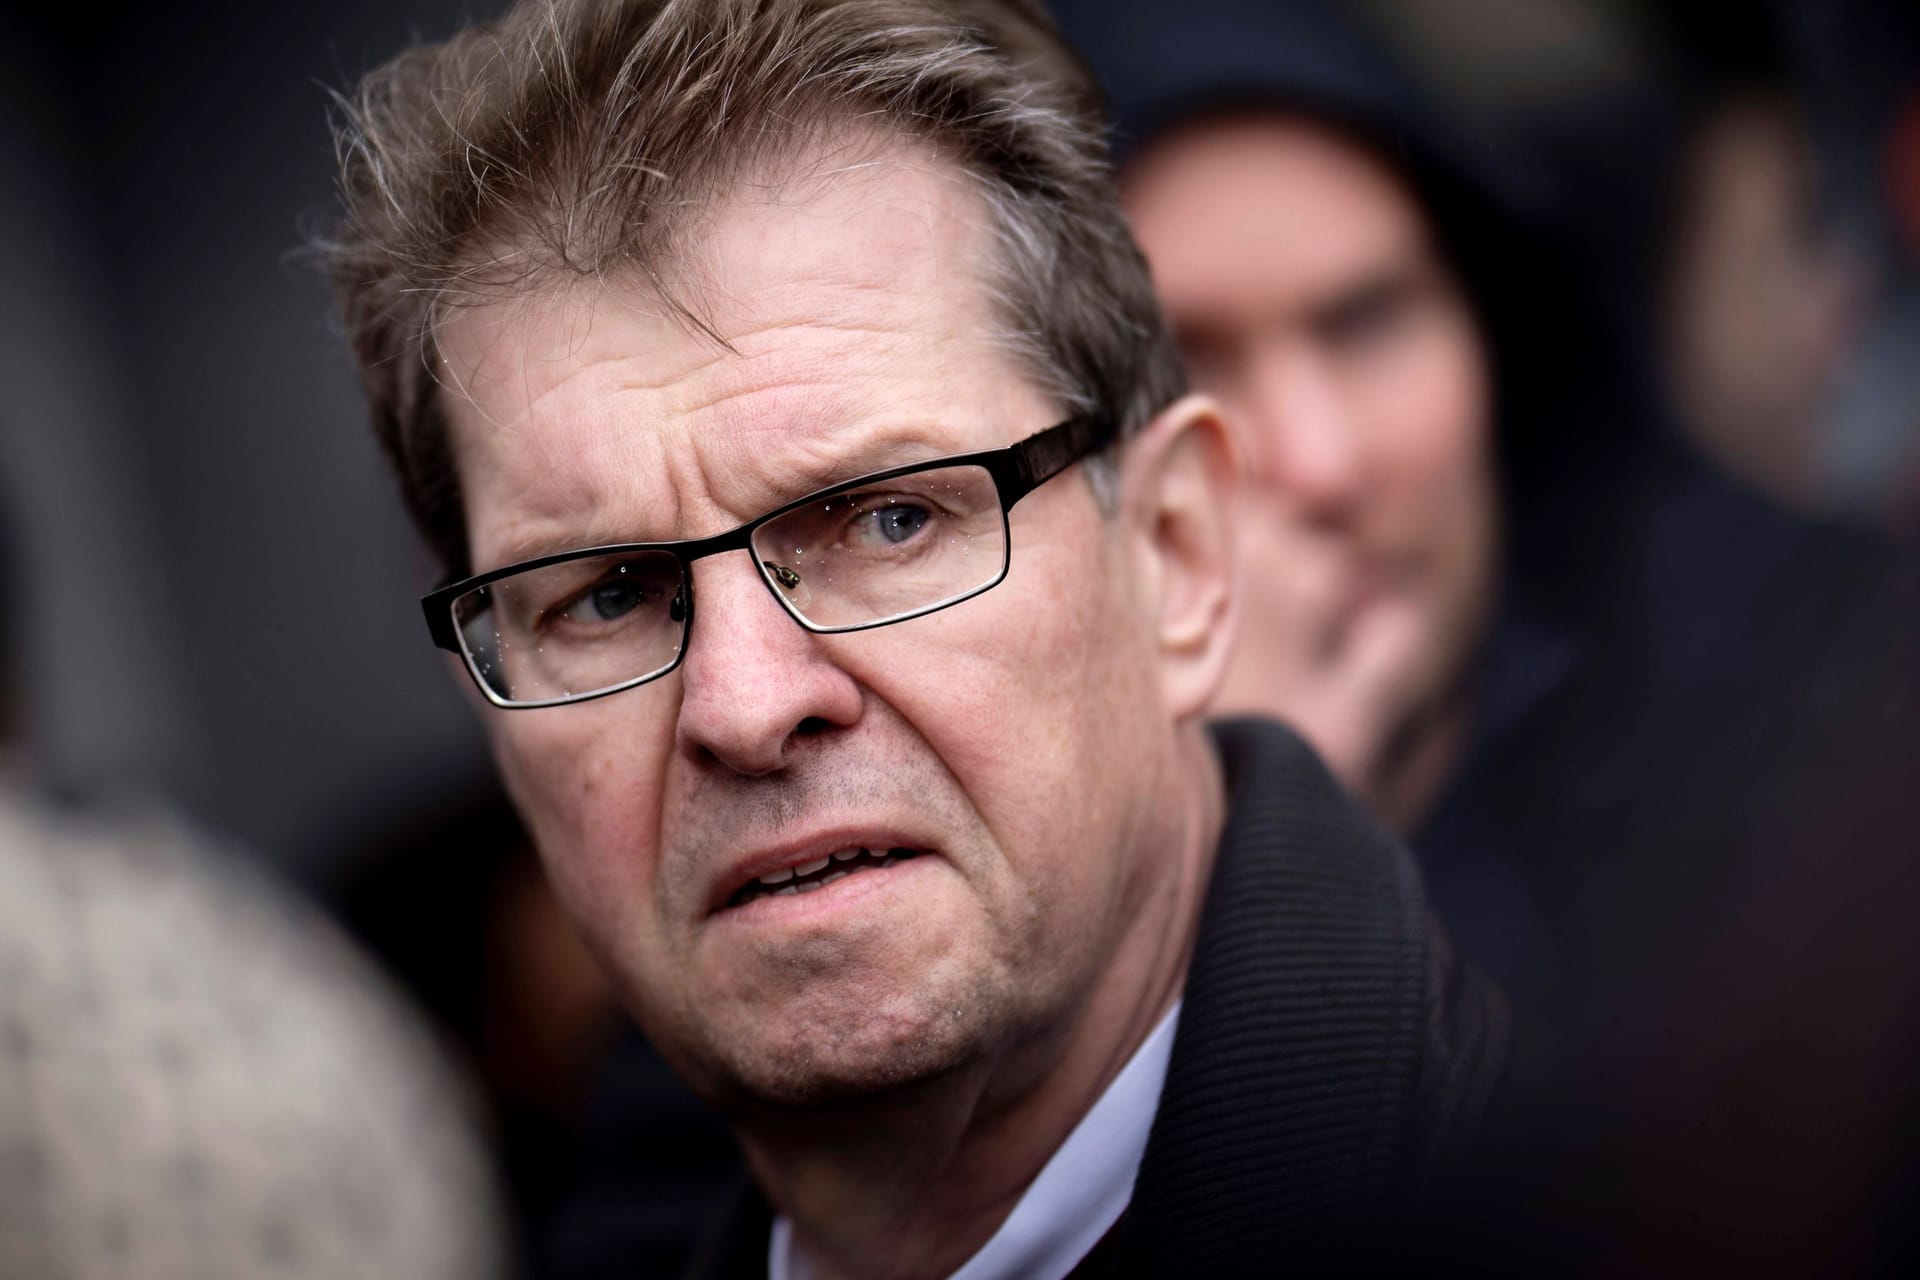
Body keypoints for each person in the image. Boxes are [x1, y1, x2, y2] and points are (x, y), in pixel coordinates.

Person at [319, 1, 1507, 1275]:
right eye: (605, 595)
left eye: (888, 520)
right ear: (489, 704)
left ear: (1174, 552)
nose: (745, 700)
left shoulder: (1604, 1193)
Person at [1053, 0, 1920, 1268]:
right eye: (1186, 368)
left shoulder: (1821, 704)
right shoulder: (941, 883)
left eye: (1368, 321)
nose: (1318, 459)